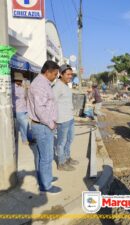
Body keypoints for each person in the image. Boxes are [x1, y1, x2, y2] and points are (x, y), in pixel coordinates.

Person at [27, 60, 61, 194]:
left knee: (43, 156)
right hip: (43, 126)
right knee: (46, 157)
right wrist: (51, 123)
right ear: (47, 72)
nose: (56, 77)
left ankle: (45, 178)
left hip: (43, 125)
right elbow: (40, 110)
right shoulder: (39, 85)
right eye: (55, 74)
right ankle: (46, 185)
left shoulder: (43, 83)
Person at [53, 64, 79, 171]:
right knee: (61, 142)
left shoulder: (65, 85)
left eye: (71, 74)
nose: (70, 76)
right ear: (61, 74)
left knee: (70, 139)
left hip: (69, 118)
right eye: (68, 74)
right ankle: (61, 163)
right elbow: (51, 103)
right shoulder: (57, 87)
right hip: (62, 120)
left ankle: (67, 158)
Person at [12, 72, 31, 144]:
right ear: (16, 80)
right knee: (25, 124)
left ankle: (26, 139)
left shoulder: (22, 87)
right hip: (18, 109)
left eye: (21, 80)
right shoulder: (12, 87)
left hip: (24, 108)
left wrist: (26, 89)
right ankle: (27, 139)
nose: (21, 81)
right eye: (20, 80)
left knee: (24, 125)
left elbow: (25, 96)